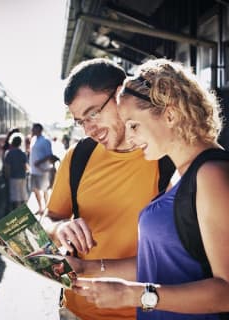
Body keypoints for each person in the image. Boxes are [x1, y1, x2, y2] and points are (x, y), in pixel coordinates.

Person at [70, 59, 229, 319]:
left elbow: (226, 291)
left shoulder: (211, 175)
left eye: (133, 125)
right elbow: (157, 263)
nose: (130, 137)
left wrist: (132, 295)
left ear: (170, 114)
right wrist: (86, 267)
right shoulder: (180, 174)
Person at [43, 58, 166, 320]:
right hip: (76, 311)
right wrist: (58, 227)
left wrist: (89, 267)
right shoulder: (78, 157)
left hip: (146, 313)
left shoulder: (166, 157)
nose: (89, 129)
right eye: (80, 121)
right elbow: (48, 218)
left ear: (122, 93)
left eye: (93, 113)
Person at [29, 123, 53, 214]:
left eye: (34, 129)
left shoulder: (45, 141)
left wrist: (39, 162)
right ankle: (40, 208)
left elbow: (49, 155)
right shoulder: (33, 140)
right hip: (33, 170)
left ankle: (47, 208)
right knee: (35, 190)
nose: (32, 130)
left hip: (42, 170)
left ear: (39, 130)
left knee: (44, 190)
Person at [3, 135, 29, 209]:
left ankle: (17, 213)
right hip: (22, 177)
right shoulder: (23, 153)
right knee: (23, 196)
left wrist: (7, 177)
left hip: (13, 178)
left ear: (12, 142)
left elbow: (7, 167)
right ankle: (23, 212)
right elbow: (26, 167)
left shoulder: (9, 153)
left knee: (15, 198)